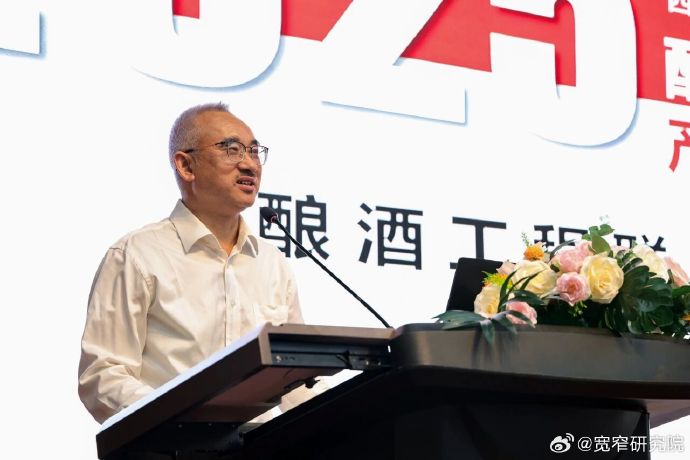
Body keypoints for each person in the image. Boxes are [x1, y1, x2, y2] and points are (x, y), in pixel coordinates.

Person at [78, 102, 316, 423]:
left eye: (254, 151)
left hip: (264, 443)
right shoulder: (136, 255)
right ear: (186, 165)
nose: (249, 164)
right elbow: (103, 375)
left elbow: (296, 378)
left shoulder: (271, 263)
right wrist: (181, 416)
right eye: (232, 149)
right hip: (174, 441)